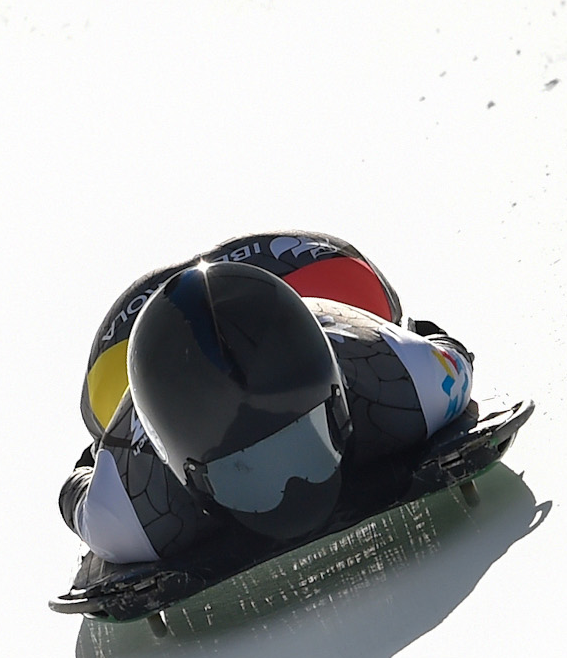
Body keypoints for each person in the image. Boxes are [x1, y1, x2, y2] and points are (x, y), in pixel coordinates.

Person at [60, 232, 475, 566]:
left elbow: (76, 494)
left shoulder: (400, 378)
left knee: (361, 287)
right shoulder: (414, 391)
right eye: (242, 474)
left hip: (330, 316)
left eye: (307, 446)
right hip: (139, 368)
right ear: (187, 479)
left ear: (341, 410)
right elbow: (448, 354)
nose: (293, 491)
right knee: (104, 404)